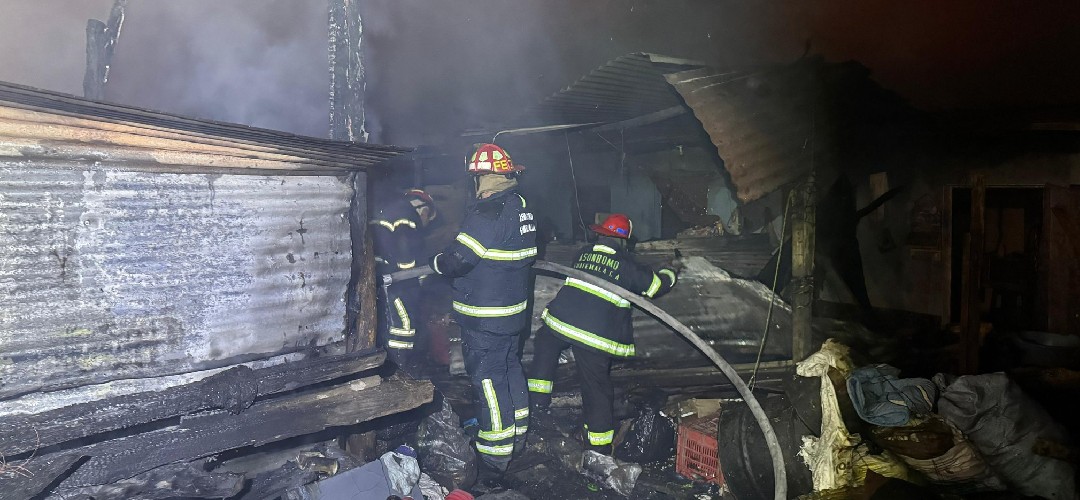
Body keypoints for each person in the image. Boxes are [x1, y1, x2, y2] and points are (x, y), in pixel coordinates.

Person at [527, 213, 678, 454]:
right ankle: (598, 445)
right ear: (623, 241)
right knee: (595, 385)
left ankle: (536, 403)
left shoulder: (583, 253)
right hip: (593, 336)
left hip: (561, 322)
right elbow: (655, 287)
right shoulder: (628, 266)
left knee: (545, 345)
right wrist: (671, 271)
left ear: (599, 234)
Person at [428, 144, 537, 472]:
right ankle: (518, 435)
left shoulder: (488, 212)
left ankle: (495, 451)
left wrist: (435, 262)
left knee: (488, 379)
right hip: (513, 313)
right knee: (509, 368)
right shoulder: (521, 206)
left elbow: (457, 260)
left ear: (483, 178)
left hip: (486, 316)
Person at [372, 187, 437, 368]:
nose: (426, 221)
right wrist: (414, 282)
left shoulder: (389, 209)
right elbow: (405, 256)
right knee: (404, 326)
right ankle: (400, 369)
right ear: (423, 208)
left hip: (378, 278)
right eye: (427, 215)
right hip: (396, 283)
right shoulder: (407, 217)